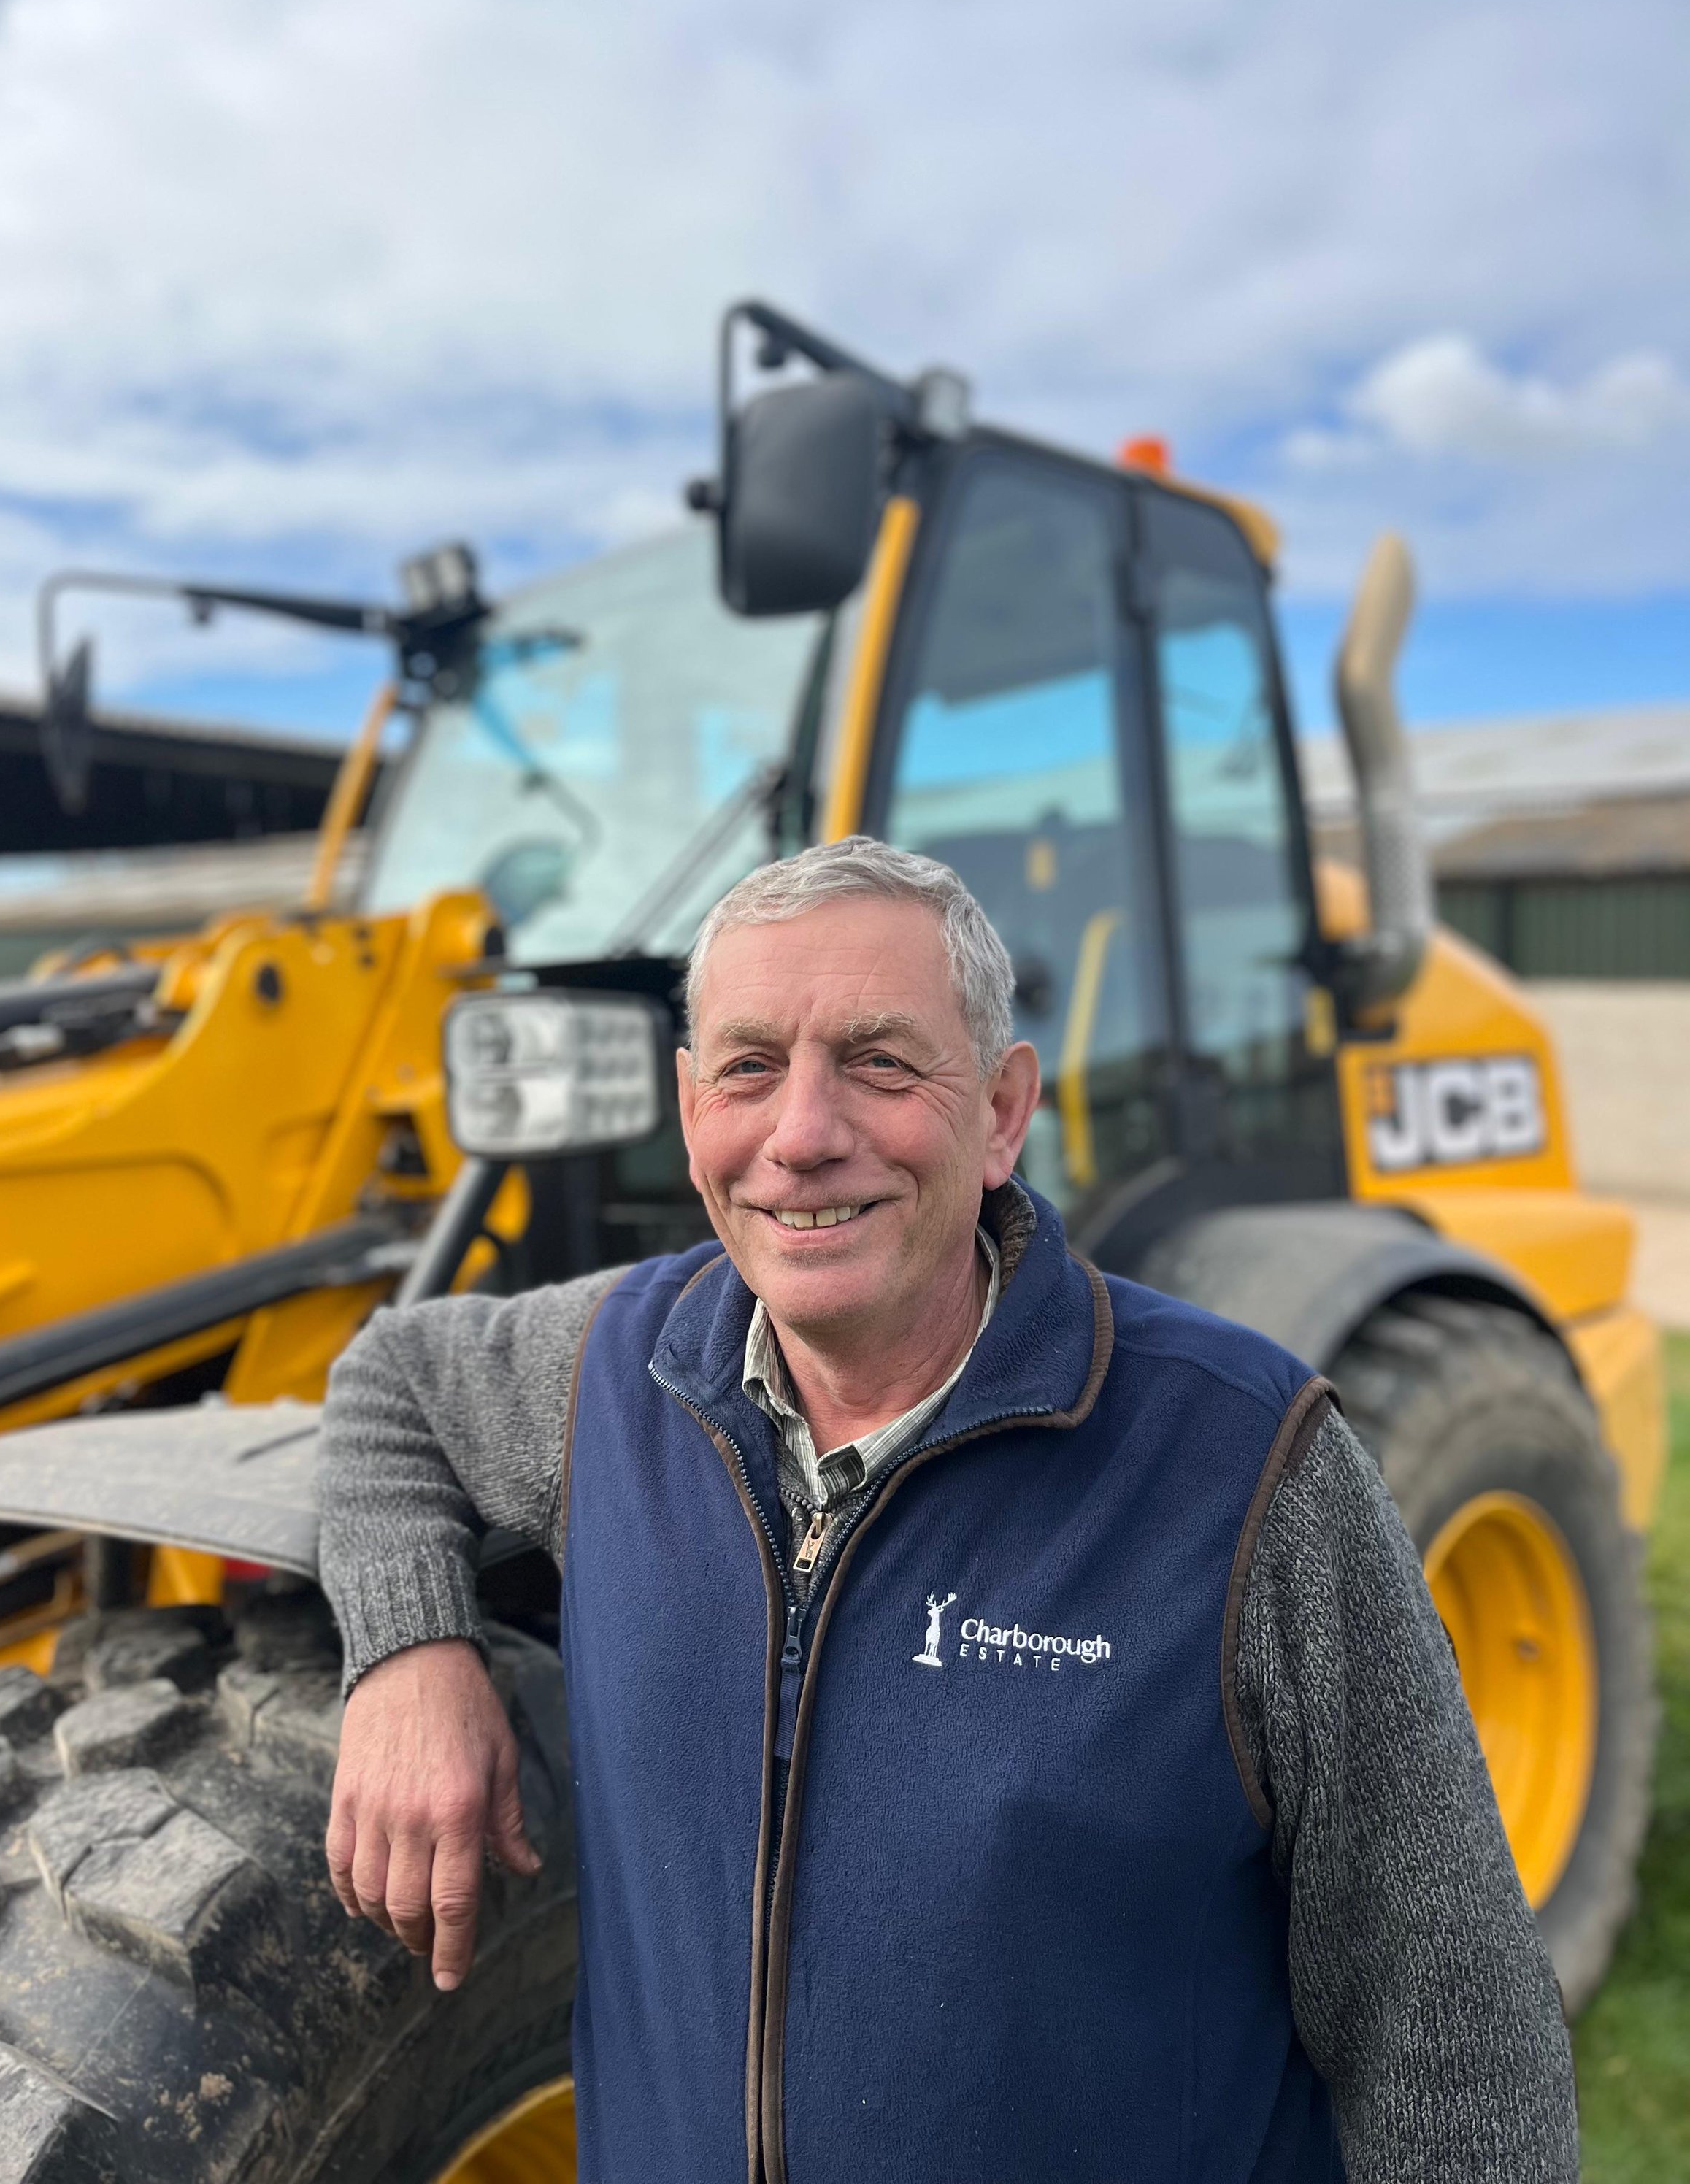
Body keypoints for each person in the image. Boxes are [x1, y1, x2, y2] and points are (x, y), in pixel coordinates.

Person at [317, 837, 1577, 2182]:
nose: (802, 1133)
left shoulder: (1246, 1470)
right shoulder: (614, 1372)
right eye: (749, 1067)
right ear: (690, 1111)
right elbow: (394, 1380)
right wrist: (409, 1653)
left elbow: (1459, 2050)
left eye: (878, 1062)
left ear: (1001, 1111)